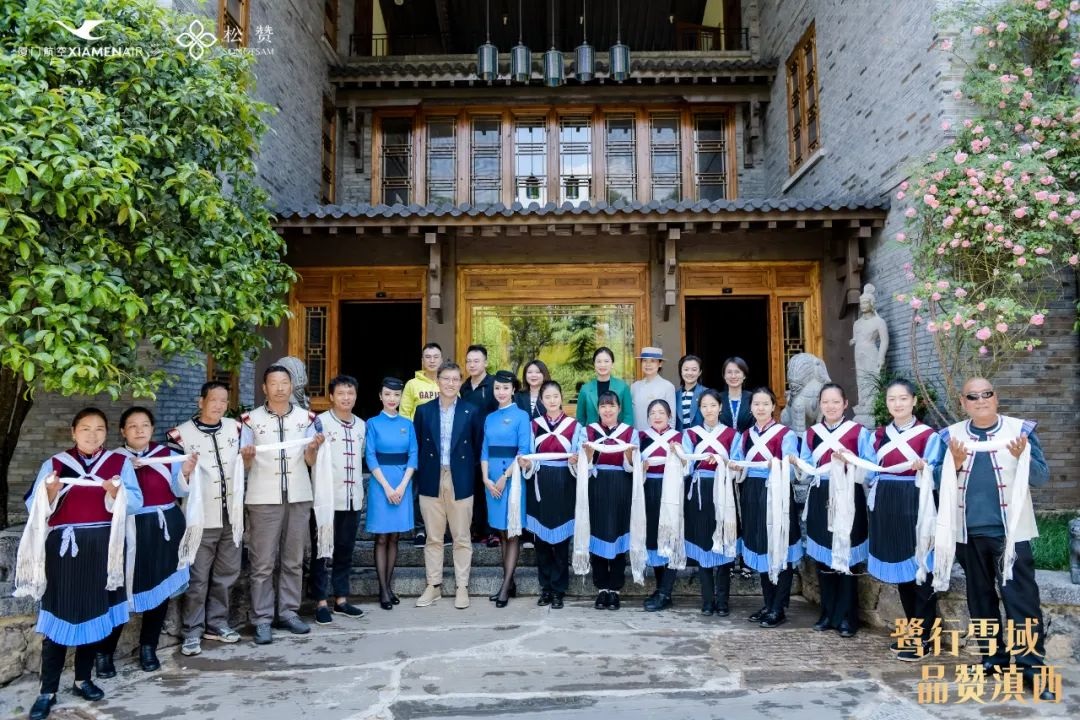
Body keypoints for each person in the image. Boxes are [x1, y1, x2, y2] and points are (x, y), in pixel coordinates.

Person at [935, 377, 1054, 701]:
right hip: (968, 534)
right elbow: (933, 478)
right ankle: (994, 659)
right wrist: (954, 464)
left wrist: (1021, 457)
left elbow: (1042, 477)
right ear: (963, 402)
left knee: (1022, 603)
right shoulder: (951, 437)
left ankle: (1033, 670)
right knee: (980, 600)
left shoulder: (1020, 432)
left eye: (987, 394)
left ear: (996, 398)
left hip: (1011, 534)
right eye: (973, 396)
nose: (981, 400)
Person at [21, 408, 143, 720]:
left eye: (99, 429)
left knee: (94, 616)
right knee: (59, 621)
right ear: (74, 432)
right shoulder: (56, 464)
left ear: (107, 433)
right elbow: (32, 505)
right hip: (64, 554)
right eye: (85, 429)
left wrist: (117, 495)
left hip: (104, 550)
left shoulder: (118, 464)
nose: (92, 435)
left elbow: (136, 501)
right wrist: (49, 493)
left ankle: (82, 679)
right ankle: (47, 690)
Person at [96, 407, 192, 677]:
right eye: (133, 426)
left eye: (145, 425)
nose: (140, 430)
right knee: (119, 591)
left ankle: (148, 646)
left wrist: (184, 473)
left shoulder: (168, 455)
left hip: (164, 527)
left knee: (159, 589)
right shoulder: (112, 459)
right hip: (128, 530)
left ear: (152, 428)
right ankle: (105, 652)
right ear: (122, 431)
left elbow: (178, 490)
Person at [241, 365, 325, 645]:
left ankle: (289, 612)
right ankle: (262, 619)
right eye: (273, 383)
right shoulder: (250, 420)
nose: (279, 388)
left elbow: (311, 461)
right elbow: (244, 463)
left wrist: (312, 449)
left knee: (293, 559)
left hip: (298, 496)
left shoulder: (307, 418)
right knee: (262, 562)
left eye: (284, 382)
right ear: (264, 388)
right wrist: (248, 457)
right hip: (263, 498)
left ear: (292, 386)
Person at [863, 378, 941, 661]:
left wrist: (924, 468)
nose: (898, 404)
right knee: (903, 573)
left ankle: (926, 638)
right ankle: (914, 631)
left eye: (903, 399)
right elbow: (870, 470)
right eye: (892, 399)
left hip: (914, 502)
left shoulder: (928, 436)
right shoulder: (878, 435)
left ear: (914, 401)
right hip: (886, 503)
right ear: (887, 404)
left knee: (920, 569)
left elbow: (935, 471)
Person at [168, 381, 244, 657]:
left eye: (224, 400)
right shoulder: (180, 436)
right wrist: (185, 472)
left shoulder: (235, 429)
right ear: (201, 401)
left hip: (231, 515)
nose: (219, 405)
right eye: (214, 400)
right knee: (198, 578)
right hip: (200, 518)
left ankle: (218, 623)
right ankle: (192, 630)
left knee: (226, 574)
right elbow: (175, 484)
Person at [795, 384, 872, 639]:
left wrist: (852, 461)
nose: (830, 406)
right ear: (820, 404)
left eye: (835, 401)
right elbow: (806, 466)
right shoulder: (811, 434)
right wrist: (796, 463)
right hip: (821, 495)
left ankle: (848, 616)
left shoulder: (858, 432)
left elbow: (870, 468)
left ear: (845, 404)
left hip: (850, 494)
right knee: (824, 557)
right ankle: (827, 613)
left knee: (847, 557)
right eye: (825, 402)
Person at [413, 361, 485, 610]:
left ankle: (461, 586)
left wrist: (466, 472)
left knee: (461, 536)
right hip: (432, 477)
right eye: (446, 378)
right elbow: (418, 445)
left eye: (456, 379)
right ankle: (433, 586)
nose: (451, 383)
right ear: (438, 380)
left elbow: (477, 447)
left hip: (460, 478)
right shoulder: (424, 411)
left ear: (460, 382)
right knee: (433, 537)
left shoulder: (471, 411)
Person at [729, 387, 802, 628]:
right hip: (752, 492)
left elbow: (793, 470)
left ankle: (778, 606)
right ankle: (768, 602)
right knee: (761, 545)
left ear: (773, 407)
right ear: (751, 408)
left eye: (765, 403)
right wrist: (736, 467)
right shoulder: (745, 435)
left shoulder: (785, 434)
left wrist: (778, 465)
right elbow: (738, 461)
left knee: (779, 546)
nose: (760, 408)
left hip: (777, 493)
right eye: (756, 404)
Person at [310, 375, 366, 625]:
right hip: (326, 499)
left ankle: (341, 599)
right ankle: (320, 601)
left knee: (345, 550)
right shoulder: (319, 423)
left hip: (352, 499)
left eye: (350, 393)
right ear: (331, 396)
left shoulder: (360, 425)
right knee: (321, 551)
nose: (346, 397)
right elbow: (308, 457)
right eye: (341, 393)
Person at [520, 380, 581, 609]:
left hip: (565, 484)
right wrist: (526, 463)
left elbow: (578, 456)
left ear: (561, 398)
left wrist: (576, 460)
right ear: (542, 401)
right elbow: (528, 453)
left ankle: (559, 590)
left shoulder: (574, 426)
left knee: (562, 543)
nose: (552, 401)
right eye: (548, 397)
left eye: (556, 396)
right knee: (542, 543)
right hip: (540, 484)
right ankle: (545, 587)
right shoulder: (534, 425)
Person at [682, 389, 739, 616]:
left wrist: (724, 463)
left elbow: (736, 464)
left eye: (713, 405)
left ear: (720, 407)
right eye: (704, 406)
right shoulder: (691, 434)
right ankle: (707, 600)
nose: (709, 410)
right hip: (699, 492)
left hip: (723, 489)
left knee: (724, 542)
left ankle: (723, 600)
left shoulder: (732, 435)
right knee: (703, 541)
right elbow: (686, 465)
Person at [364, 377, 418, 610]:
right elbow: (370, 456)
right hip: (380, 484)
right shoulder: (373, 423)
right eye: (387, 394)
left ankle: (388, 586)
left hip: (402, 483)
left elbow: (413, 455)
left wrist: (403, 485)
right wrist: (387, 487)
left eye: (396, 395)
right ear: (380, 396)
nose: (392, 399)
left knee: (395, 536)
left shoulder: (408, 423)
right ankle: (383, 590)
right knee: (382, 537)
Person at [581, 391, 637, 610]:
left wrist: (631, 454)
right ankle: (601, 588)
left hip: (621, 485)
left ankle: (615, 589)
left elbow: (632, 467)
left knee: (617, 534)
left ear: (619, 408)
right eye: (603, 406)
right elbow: (585, 467)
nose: (607, 410)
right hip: (596, 485)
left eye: (611, 405)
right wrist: (586, 453)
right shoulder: (589, 432)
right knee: (597, 535)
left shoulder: (630, 433)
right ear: (598, 410)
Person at [480, 371, 532, 607]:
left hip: (512, 479)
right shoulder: (490, 417)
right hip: (491, 481)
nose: (500, 392)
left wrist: (504, 477)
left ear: (513, 390)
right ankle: (509, 583)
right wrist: (486, 479)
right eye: (497, 388)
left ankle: (505, 585)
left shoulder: (521, 417)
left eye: (505, 388)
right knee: (501, 533)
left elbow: (523, 450)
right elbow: (484, 451)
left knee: (512, 532)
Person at [639, 399, 682, 611]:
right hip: (649, 490)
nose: (657, 416)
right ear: (648, 417)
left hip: (671, 491)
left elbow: (687, 466)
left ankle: (666, 590)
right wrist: (641, 467)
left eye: (661, 412)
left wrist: (678, 456)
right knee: (654, 538)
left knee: (670, 536)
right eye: (653, 412)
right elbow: (631, 464)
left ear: (669, 416)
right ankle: (660, 588)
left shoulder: (679, 438)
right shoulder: (641, 437)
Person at [402, 342, 443, 547]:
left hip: (443, 446)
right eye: (428, 356)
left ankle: (439, 529)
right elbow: (405, 415)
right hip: (420, 444)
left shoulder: (448, 382)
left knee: (442, 488)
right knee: (419, 488)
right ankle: (420, 529)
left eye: (436, 356)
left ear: (441, 360)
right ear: (422, 360)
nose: (432, 360)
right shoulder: (412, 385)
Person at [461, 344, 498, 547]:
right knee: (473, 488)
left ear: (485, 362)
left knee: (489, 488)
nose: (472, 365)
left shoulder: (493, 385)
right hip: (469, 446)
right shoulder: (464, 387)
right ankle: (477, 529)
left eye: (476, 361)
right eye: (469, 361)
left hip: (490, 446)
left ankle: (492, 531)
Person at [576, 346, 634, 428]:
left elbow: (628, 417)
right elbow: (580, 419)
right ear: (594, 364)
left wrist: (623, 435)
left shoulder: (623, 387)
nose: (602, 365)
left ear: (612, 364)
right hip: (591, 437)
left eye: (606, 361)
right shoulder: (585, 389)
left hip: (617, 436)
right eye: (599, 361)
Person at [630, 347, 677, 431]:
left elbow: (671, 418)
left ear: (660, 364)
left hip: (659, 439)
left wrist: (668, 439)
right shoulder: (634, 387)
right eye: (645, 361)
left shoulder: (668, 386)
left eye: (652, 361)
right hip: (637, 437)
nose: (648, 364)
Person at [718, 356, 754, 432]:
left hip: (749, 441)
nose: (733, 376)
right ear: (724, 376)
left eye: (737, 372)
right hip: (722, 442)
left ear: (744, 375)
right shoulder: (717, 398)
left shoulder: (753, 398)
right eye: (729, 372)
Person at [675, 354, 707, 431]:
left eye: (694, 369)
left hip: (701, 440)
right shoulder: (675, 395)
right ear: (681, 371)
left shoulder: (707, 393)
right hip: (680, 440)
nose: (690, 373)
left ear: (700, 372)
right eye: (686, 369)